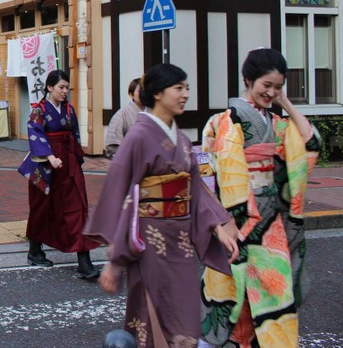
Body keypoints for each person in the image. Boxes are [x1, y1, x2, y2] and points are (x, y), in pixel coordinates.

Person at [84, 63, 238, 347]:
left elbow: (196, 190)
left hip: (179, 238)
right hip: (150, 238)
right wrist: (115, 259)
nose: (185, 95)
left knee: (184, 310)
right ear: (157, 93)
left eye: (186, 88)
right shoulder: (140, 136)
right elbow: (120, 193)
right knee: (151, 310)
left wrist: (218, 226)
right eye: (178, 88)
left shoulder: (179, 139)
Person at [199, 48, 318, 348]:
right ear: (248, 80)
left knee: (272, 296)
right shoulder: (227, 119)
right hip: (237, 221)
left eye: (278, 87)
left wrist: (286, 104)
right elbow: (223, 170)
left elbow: (309, 145)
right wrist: (229, 222)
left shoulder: (277, 123)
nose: (272, 92)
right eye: (267, 85)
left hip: (271, 225)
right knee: (236, 296)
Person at [18, 70, 101, 279]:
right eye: (61, 87)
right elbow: (35, 132)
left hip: (69, 164)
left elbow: (75, 134)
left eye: (67, 87)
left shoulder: (69, 110)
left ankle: (84, 260)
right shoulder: (39, 110)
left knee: (78, 207)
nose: (65, 91)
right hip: (46, 165)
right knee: (42, 208)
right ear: (49, 87)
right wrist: (49, 155)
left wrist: (77, 158)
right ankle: (35, 250)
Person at [104, 78, 144, 157]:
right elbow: (112, 145)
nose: (143, 94)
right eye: (140, 92)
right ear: (131, 94)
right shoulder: (122, 114)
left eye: (146, 91)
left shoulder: (152, 113)